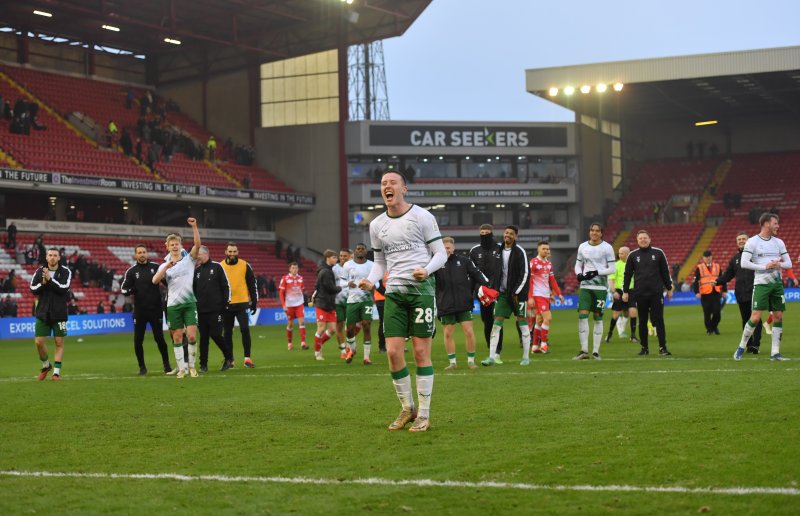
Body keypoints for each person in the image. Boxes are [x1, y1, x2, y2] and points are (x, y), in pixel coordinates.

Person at [358, 170, 446, 432]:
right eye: (384, 183)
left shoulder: (422, 216)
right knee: (394, 353)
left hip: (421, 291)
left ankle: (425, 415)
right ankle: (408, 408)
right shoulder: (376, 225)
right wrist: (372, 280)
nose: (387, 186)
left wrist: (427, 270)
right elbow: (381, 262)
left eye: (392, 182)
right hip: (394, 292)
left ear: (404, 188)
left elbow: (440, 254)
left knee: (421, 353)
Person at [734, 213, 793, 361]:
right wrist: (764, 266)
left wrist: (778, 264)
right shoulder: (752, 242)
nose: (778, 226)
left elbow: (789, 264)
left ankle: (775, 353)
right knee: (755, 317)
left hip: (777, 284)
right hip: (761, 284)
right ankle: (741, 347)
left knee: (778, 315)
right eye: (775, 223)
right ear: (766, 223)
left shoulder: (779, 242)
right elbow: (744, 263)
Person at [152, 218, 202, 379]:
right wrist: (166, 267)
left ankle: (192, 367)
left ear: (180, 245)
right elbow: (154, 280)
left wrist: (194, 227)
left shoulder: (189, 260)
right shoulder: (164, 265)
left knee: (192, 336)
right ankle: (182, 369)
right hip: (173, 305)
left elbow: (198, 245)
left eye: (177, 243)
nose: (174, 246)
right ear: (167, 247)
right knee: (177, 337)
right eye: (171, 244)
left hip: (189, 303)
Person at [435, 237, 492, 370]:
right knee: (448, 334)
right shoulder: (436, 264)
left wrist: (488, 285)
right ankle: (452, 363)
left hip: (464, 303)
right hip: (445, 304)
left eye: (448, 247)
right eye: (444, 248)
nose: (447, 249)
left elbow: (477, 274)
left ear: (453, 248)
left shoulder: (464, 261)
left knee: (469, 332)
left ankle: (471, 361)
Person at [481, 225, 531, 366]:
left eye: (511, 233)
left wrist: (516, 292)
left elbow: (525, 274)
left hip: (518, 295)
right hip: (503, 294)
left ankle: (526, 357)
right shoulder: (498, 250)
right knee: (496, 324)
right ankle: (491, 357)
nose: (508, 235)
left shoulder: (520, 251)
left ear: (515, 237)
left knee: (522, 323)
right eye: (506, 232)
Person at [622, 230, 674, 356]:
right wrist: (625, 291)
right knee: (643, 321)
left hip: (656, 293)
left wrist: (669, 288)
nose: (643, 240)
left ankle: (663, 347)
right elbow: (627, 275)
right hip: (640, 293)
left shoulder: (658, 252)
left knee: (659, 320)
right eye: (640, 238)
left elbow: (665, 272)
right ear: (637, 240)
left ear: (649, 239)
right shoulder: (633, 255)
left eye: (645, 238)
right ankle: (644, 348)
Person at [573, 223, 615, 360]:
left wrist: (597, 272)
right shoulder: (582, 246)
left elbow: (612, 269)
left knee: (598, 317)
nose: (594, 233)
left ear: (601, 233)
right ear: (589, 232)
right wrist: (579, 274)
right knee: (582, 316)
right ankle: (584, 350)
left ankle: (596, 351)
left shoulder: (607, 248)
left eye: (597, 231)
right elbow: (578, 264)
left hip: (601, 288)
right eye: (592, 230)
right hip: (585, 287)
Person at [30, 248, 72, 381]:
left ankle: (56, 373)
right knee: (38, 342)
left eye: (55, 255)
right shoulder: (39, 271)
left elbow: (63, 288)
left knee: (59, 342)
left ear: (59, 258)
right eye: (50, 255)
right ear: (46, 257)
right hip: (42, 312)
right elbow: (33, 289)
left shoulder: (65, 271)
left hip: (59, 312)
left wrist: (50, 280)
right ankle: (46, 365)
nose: (52, 257)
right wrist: (43, 282)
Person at [716, 232, 762, 354]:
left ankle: (756, 345)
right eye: (739, 239)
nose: (741, 241)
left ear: (748, 241)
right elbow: (727, 276)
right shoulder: (734, 259)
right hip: (740, 294)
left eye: (743, 239)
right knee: (745, 319)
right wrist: (716, 282)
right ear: (737, 242)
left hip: (754, 291)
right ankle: (749, 344)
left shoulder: (756, 255)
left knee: (756, 318)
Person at [193, 245, 233, 372]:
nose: (197, 257)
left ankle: (228, 357)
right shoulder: (196, 271)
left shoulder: (217, 267)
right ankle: (203, 365)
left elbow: (226, 286)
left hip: (216, 309)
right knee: (203, 338)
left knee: (215, 334)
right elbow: (193, 291)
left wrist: (226, 303)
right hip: (201, 310)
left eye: (199, 254)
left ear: (206, 254)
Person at [469, 224, 505, 358]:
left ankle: (497, 351)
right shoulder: (474, 251)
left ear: (492, 233)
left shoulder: (500, 248)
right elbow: (471, 273)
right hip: (482, 292)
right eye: (482, 232)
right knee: (487, 321)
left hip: (498, 292)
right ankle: (491, 348)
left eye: (487, 232)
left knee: (497, 320)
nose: (484, 235)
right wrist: (472, 292)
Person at [220, 242, 258, 368]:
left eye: (234, 251)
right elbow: (217, 287)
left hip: (242, 303)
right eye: (230, 251)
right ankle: (230, 359)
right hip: (227, 304)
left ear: (238, 252)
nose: (232, 254)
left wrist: (254, 301)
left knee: (245, 330)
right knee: (227, 333)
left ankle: (247, 358)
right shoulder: (220, 266)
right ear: (226, 252)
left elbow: (252, 284)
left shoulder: (245, 265)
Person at [528, 240, 564, 354]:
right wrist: (530, 297)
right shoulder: (533, 262)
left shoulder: (548, 264)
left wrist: (558, 294)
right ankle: (543, 345)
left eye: (548, 249)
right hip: (537, 295)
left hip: (545, 295)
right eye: (544, 249)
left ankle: (534, 346)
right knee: (548, 318)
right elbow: (530, 281)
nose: (546, 251)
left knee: (539, 320)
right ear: (538, 249)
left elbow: (552, 281)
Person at [343, 243, 374, 365]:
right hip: (352, 301)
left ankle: (366, 357)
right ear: (355, 252)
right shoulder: (348, 265)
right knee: (349, 330)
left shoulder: (372, 265)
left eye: (362, 249)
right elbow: (341, 281)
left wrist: (371, 287)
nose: (360, 251)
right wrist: (347, 284)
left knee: (366, 325)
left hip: (366, 299)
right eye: (358, 249)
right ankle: (353, 349)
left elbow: (376, 283)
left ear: (366, 251)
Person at [311, 250, 341, 361]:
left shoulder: (327, 270)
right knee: (321, 328)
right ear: (328, 258)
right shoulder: (325, 272)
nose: (336, 259)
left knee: (332, 329)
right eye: (334, 257)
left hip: (330, 304)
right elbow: (331, 288)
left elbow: (316, 285)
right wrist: (342, 287)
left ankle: (318, 343)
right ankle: (317, 352)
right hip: (322, 303)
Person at [606, 246, 638, 343]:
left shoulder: (635, 265)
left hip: (631, 291)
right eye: (619, 253)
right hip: (619, 291)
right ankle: (609, 334)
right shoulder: (615, 265)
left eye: (622, 253)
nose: (619, 255)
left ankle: (633, 336)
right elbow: (611, 280)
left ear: (628, 254)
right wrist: (614, 291)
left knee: (633, 312)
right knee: (616, 315)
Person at [693, 250, 724, 335]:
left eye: (709, 256)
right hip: (705, 294)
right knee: (707, 314)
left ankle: (713, 327)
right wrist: (696, 292)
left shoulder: (717, 266)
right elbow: (696, 281)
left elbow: (723, 279)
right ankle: (709, 329)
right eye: (706, 257)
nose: (708, 258)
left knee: (717, 313)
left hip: (716, 293)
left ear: (711, 257)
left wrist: (724, 290)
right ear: (703, 258)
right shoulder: (699, 267)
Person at [279, 262, 307, 350]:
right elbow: (281, 293)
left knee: (301, 322)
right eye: (293, 268)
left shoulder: (301, 278)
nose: (295, 269)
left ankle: (303, 343)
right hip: (289, 305)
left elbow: (302, 290)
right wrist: (284, 305)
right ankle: (289, 343)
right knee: (290, 324)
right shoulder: (285, 278)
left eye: (296, 268)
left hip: (299, 304)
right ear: (290, 269)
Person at [333, 248, 352, 359]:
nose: (342, 258)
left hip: (351, 300)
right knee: (339, 327)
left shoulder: (353, 267)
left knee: (351, 326)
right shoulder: (334, 269)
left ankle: (350, 346)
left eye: (345, 256)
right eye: (341, 256)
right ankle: (343, 350)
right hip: (338, 301)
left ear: (350, 256)